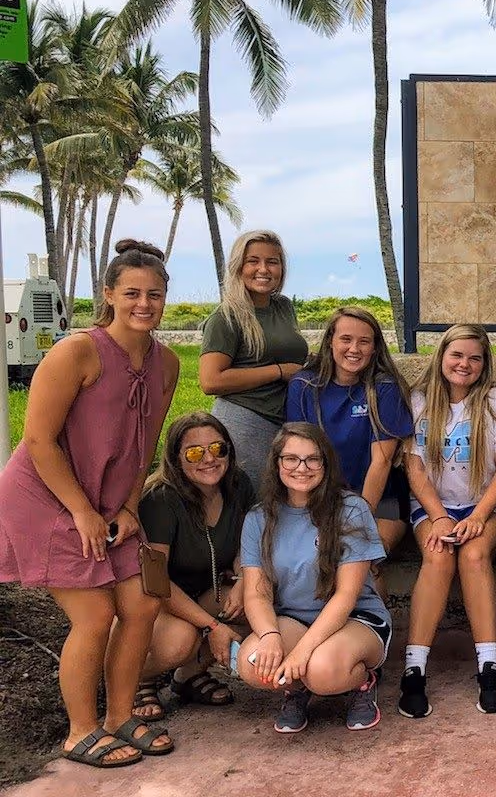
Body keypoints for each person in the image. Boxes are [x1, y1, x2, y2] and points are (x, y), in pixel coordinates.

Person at [0, 240, 180, 768]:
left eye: (154, 294)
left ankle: (119, 716)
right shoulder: (76, 351)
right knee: (95, 614)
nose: (143, 303)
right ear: (109, 295)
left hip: (108, 501)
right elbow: (39, 439)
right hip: (46, 495)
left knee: (143, 604)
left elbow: (145, 443)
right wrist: (80, 510)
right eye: (131, 293)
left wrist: (126, 506)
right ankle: (80, 731)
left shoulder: (166, 364)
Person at [233, 423, 391, 734]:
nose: (301, 468)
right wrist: (270, 636)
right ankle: (297, 690)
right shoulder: (258, 518)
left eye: (312, 459)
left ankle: (362, 683)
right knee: (252, 663)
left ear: (326, 463)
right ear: (277, 463)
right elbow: (256, 593)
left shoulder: (351, 509)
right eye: (291, 459)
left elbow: (346, 595)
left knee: (322, 671)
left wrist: (302, 651)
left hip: (355, 618)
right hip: (293, 617)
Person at [398, 324, 496, 719]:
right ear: (442, 356)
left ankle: (489, 667)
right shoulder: (419, 400)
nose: (464, 364)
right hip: (435, 505)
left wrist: (479, 516)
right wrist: (437, 517)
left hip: (488, 503)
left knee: (472, 554)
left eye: (474, 357)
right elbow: (414, 469)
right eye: (457, 355)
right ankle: (413, 670)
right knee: (437, 556)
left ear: (484, 363)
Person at [132, 412, 257, 720]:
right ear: (176, 458)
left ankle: (188, 676)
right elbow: (156, 581)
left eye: (218, 449)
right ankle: (135, 678)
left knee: (257, 603)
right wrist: (212, 626)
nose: (208, 459)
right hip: (155, 601)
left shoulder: (238, 484)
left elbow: (246, 544)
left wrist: (242, 581)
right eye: (194, 452)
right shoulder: (160, 499)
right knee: (181, 641)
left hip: (205, 590)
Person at [286, 305, 413, 555]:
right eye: (346, 339)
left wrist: (356, 522)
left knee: (361, 557)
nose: (354, 349)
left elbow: (382, 461)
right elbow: (299, 459)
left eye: (364, 341)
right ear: (330, 341)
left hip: (381, 501)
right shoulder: (303, 386)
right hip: (320, 498)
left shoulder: (384, 388)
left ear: (375, 348)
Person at [199, 230, 307, 487]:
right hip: (245, 422)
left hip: (285, 421)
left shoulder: (283, 307)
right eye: (253, 261)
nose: (263, 269)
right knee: (250, 503)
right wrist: (279, 371)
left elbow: (288, 351)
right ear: (239, 267)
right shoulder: (226, 317)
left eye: (272, 261)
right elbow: (210, 381)